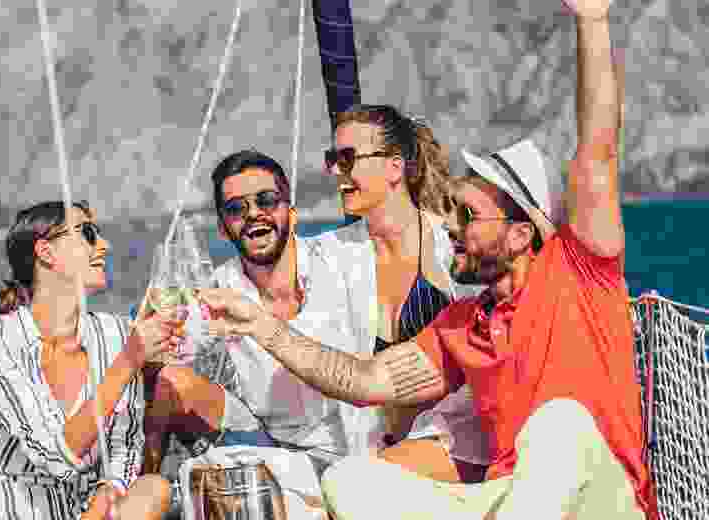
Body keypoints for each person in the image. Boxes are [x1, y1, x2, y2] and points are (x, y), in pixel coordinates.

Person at [195, 0, 658, 518]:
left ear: (520, 233)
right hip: (513, 500)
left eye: (469, 215)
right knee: (350, 481)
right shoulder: (462, 326)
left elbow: (598, 153)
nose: (451, 225)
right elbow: (366, 381)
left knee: (559, 425)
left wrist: (592, 21)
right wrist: (262, 326)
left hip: (602, 500)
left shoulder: (579, 271)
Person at [142, 150, 361, 480]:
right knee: (171, 381)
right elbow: (169, 350)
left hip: (348, 447)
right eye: (236, 208)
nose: (254, 213)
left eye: (267, 200)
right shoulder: (220, 288)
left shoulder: (340, 262)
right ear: (222, 228)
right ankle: (143, 490)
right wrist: (153, 338)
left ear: (292, 213)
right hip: (269, 445)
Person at [0, 201, 179, 520]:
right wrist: (129, 360)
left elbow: (125, 446)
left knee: (154, 489)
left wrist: (104, 499)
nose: (104, 245)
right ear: (46, 252)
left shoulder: (117, 333)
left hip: (83, 510)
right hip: (9, 511)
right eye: (87, 233)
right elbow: (53, 455)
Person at [315, 103, 489, 482]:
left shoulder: (452, 246)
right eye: (332, 159)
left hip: (457, 447)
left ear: (395, 167)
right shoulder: (330, 255)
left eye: (347, 158)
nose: (335, 171)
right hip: (375, 450)